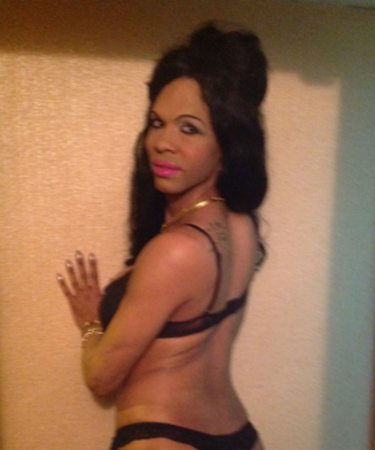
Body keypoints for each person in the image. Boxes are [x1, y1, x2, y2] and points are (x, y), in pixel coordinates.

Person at [57, 22, 268, 450]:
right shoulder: (243, 227)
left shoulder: (175, 251)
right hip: (239, 435)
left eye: (189, 128)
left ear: (225, 146)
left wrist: (91, 323)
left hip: (164, 436)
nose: (162, 143)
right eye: (157, 123)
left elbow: (101, 378)